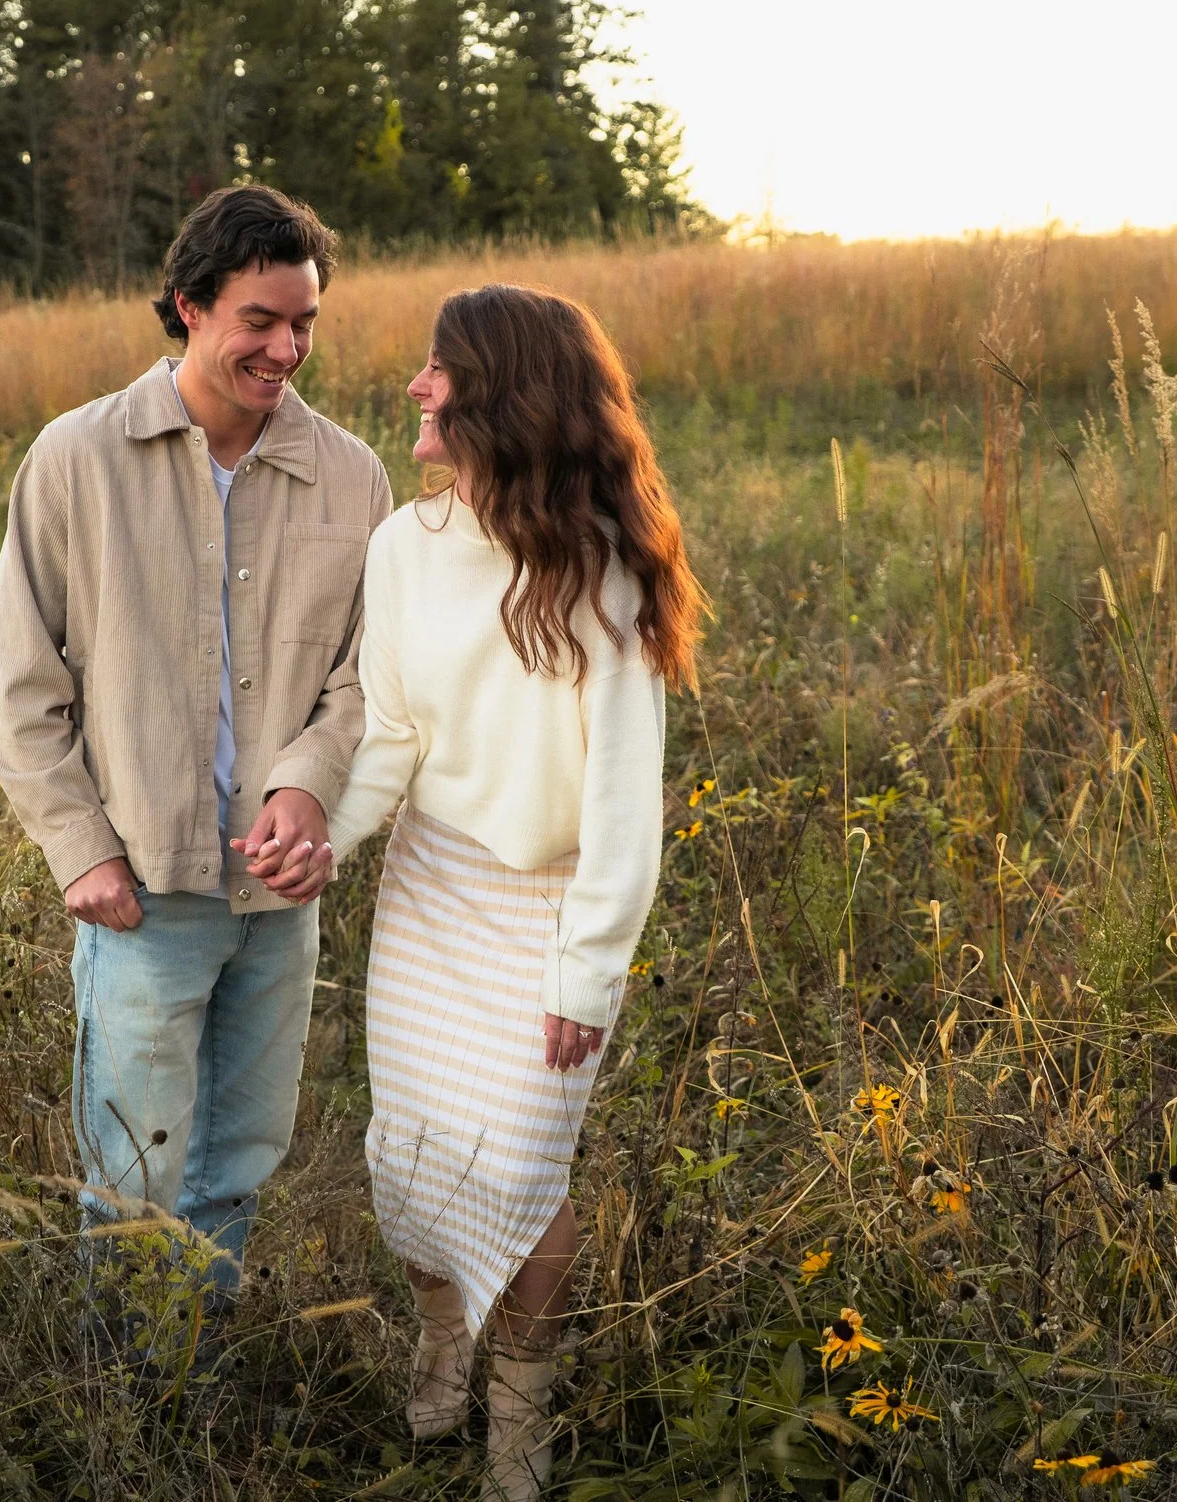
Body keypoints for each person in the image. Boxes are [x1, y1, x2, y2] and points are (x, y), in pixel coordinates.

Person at [311, 283, 706, 1500]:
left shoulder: (601, 572)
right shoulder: (404, 546)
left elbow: (625, 805)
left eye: (440, 370)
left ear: (501, 396)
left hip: (551, 910)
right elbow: (389, 732)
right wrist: (321, 840)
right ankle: (442, 1343)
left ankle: (517, 1438)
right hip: (431, 892)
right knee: (417, 1162)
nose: (416, 387)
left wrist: (588, 971)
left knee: (524, 1174)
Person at [0, 185, 390, 1342]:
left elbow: (368, 675)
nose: (287, 347)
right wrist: (80, 850)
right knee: (135, 1165)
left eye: (305, 321)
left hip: (279, 890)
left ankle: (195, 1374)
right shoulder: (75, 458)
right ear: (188, 306)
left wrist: (305, 786)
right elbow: (20, 686)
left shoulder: (352, 475)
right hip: (140, 888)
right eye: (260, 319)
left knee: (241, 1152)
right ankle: (127, 1398)